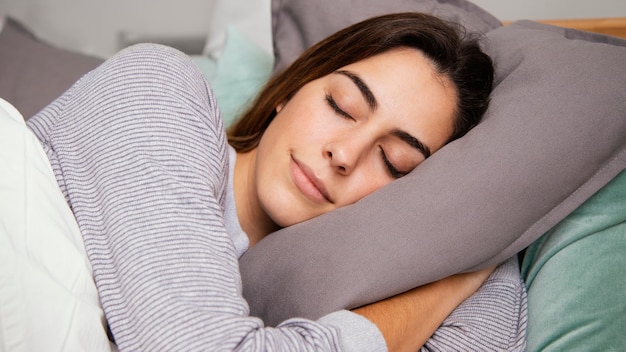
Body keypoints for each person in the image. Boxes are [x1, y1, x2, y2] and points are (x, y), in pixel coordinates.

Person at [26, 12, 526, 351]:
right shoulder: (158, 89)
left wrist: (479, 237)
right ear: (293, 88)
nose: (344, 154)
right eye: (341, 106)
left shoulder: (319, 285)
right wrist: (452, 286)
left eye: (394, 163)